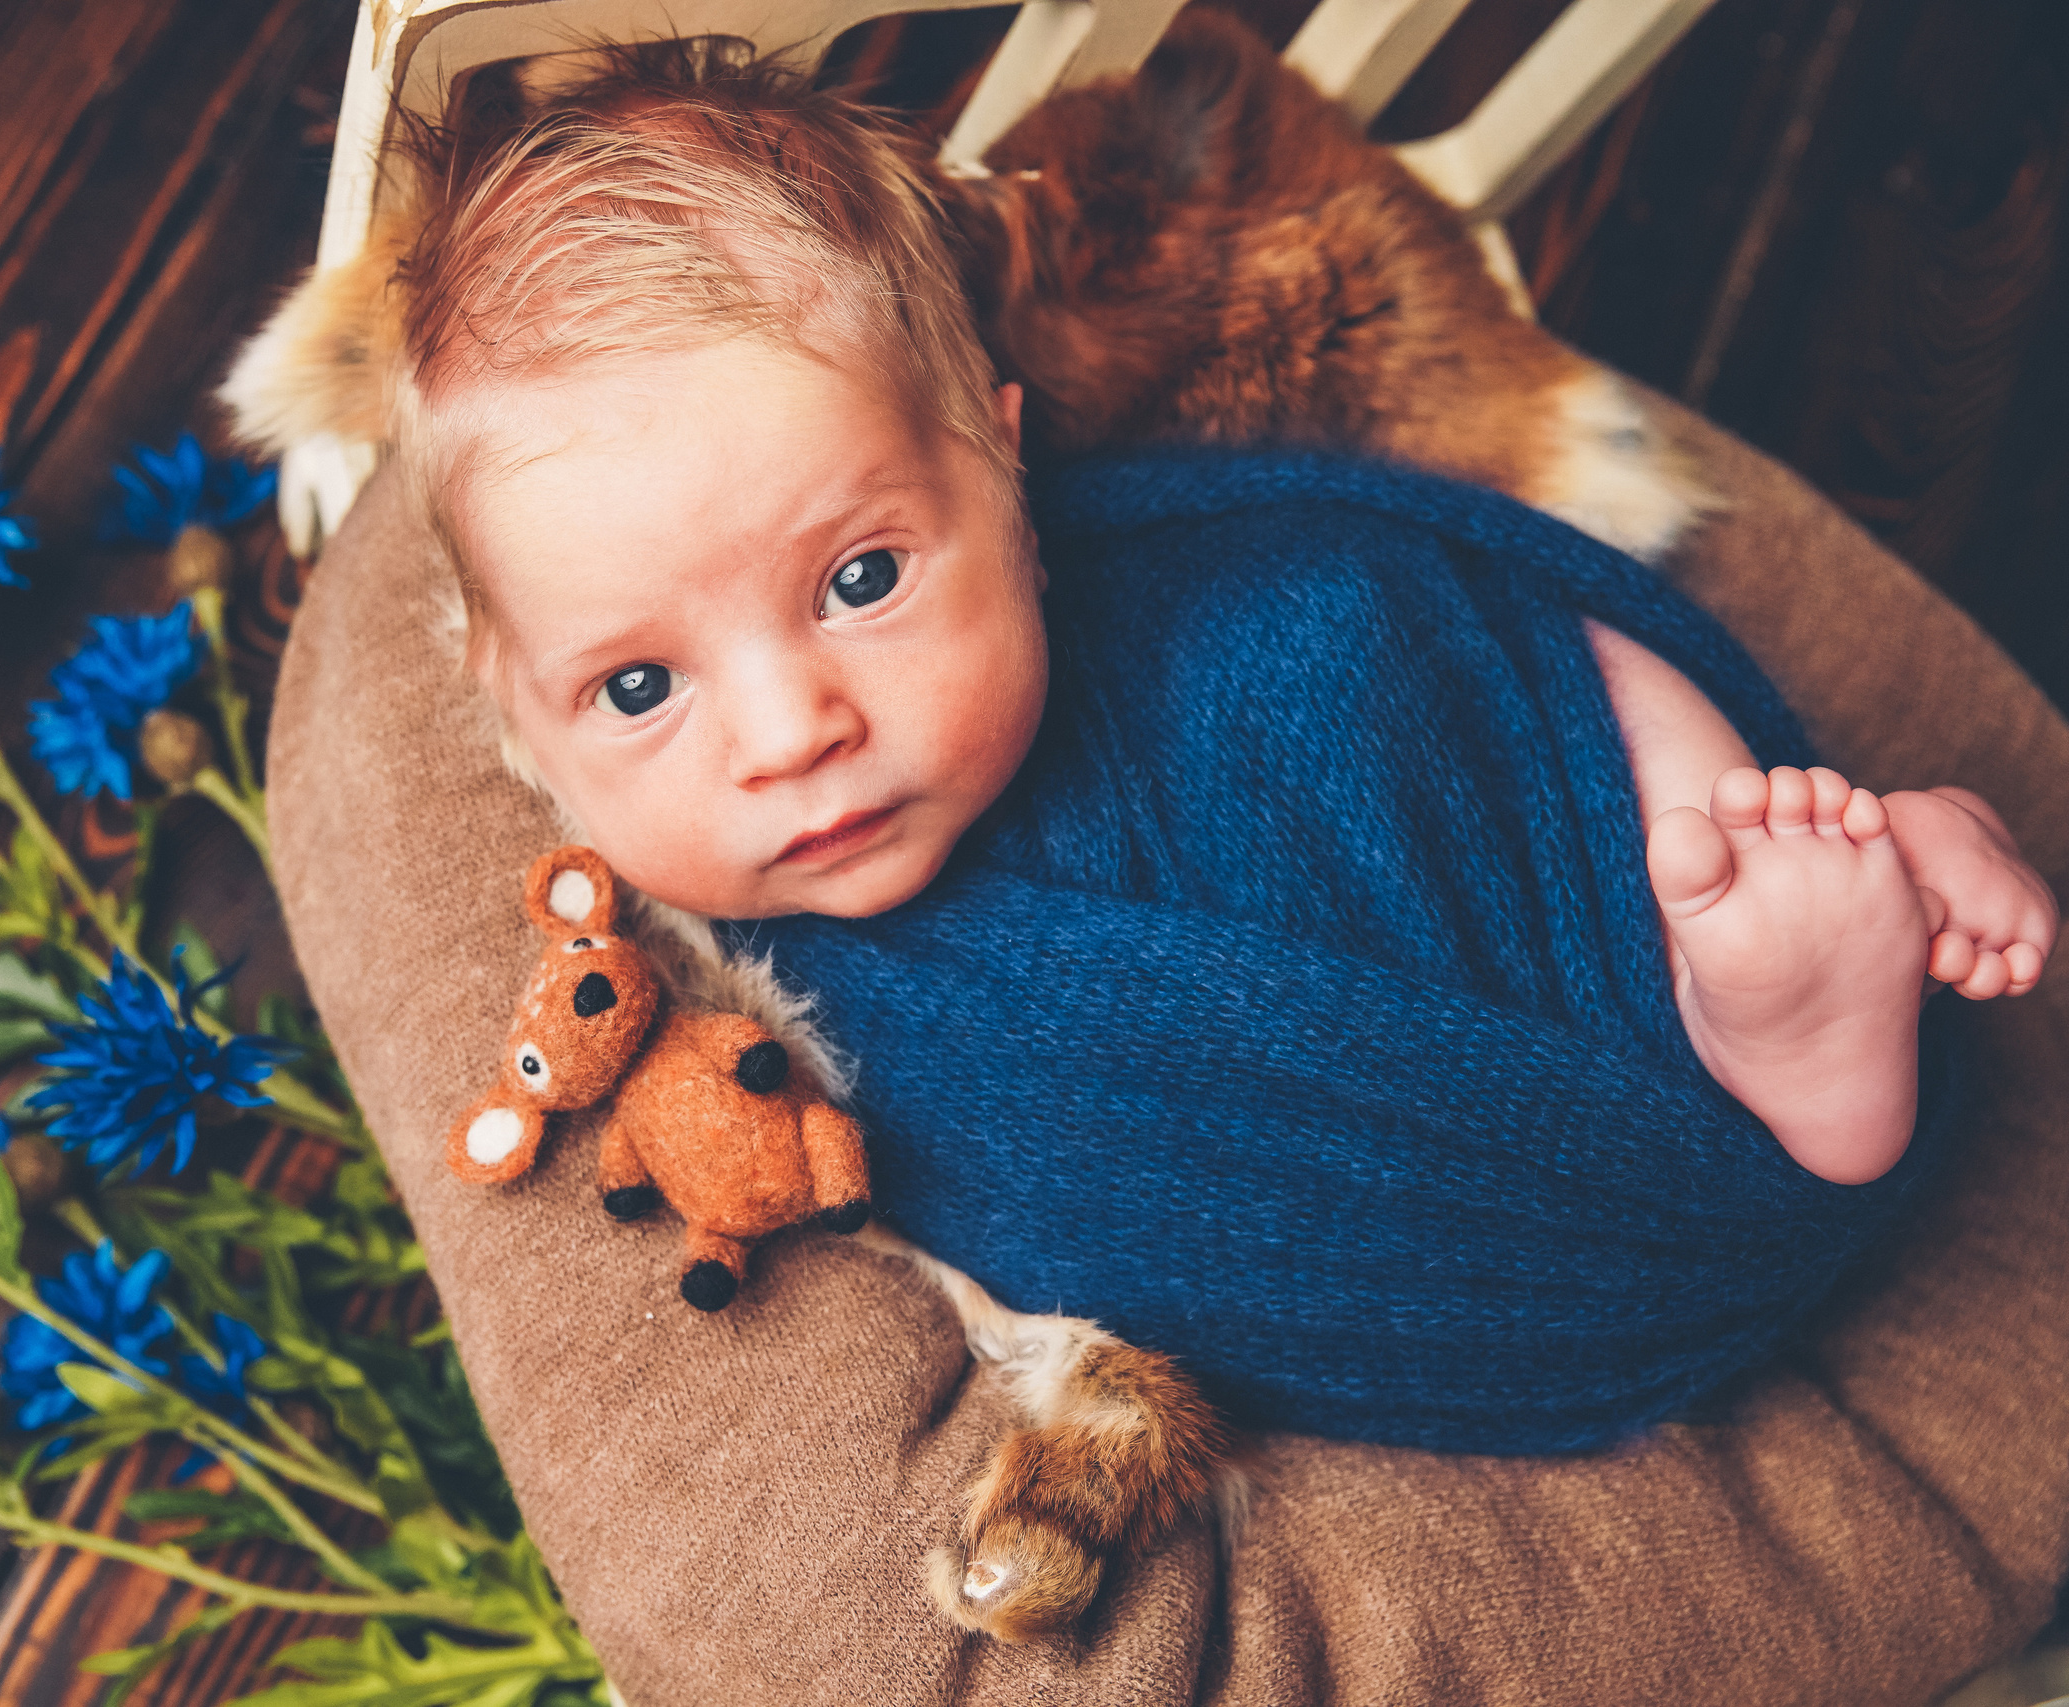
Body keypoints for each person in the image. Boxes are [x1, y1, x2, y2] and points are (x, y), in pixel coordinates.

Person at [241, 46, 2057, 1462]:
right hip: (1526, 1169)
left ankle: (1802, 903)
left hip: (1478, 798)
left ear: (1006, 474)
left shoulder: (1187, 570)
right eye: (638, 690)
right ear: (511, 698)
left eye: (862, 577)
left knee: (1449, 650)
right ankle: (1790, 1057)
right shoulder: (719, 996)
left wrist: (1647, 807)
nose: (796, 731)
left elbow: (1449, 622)